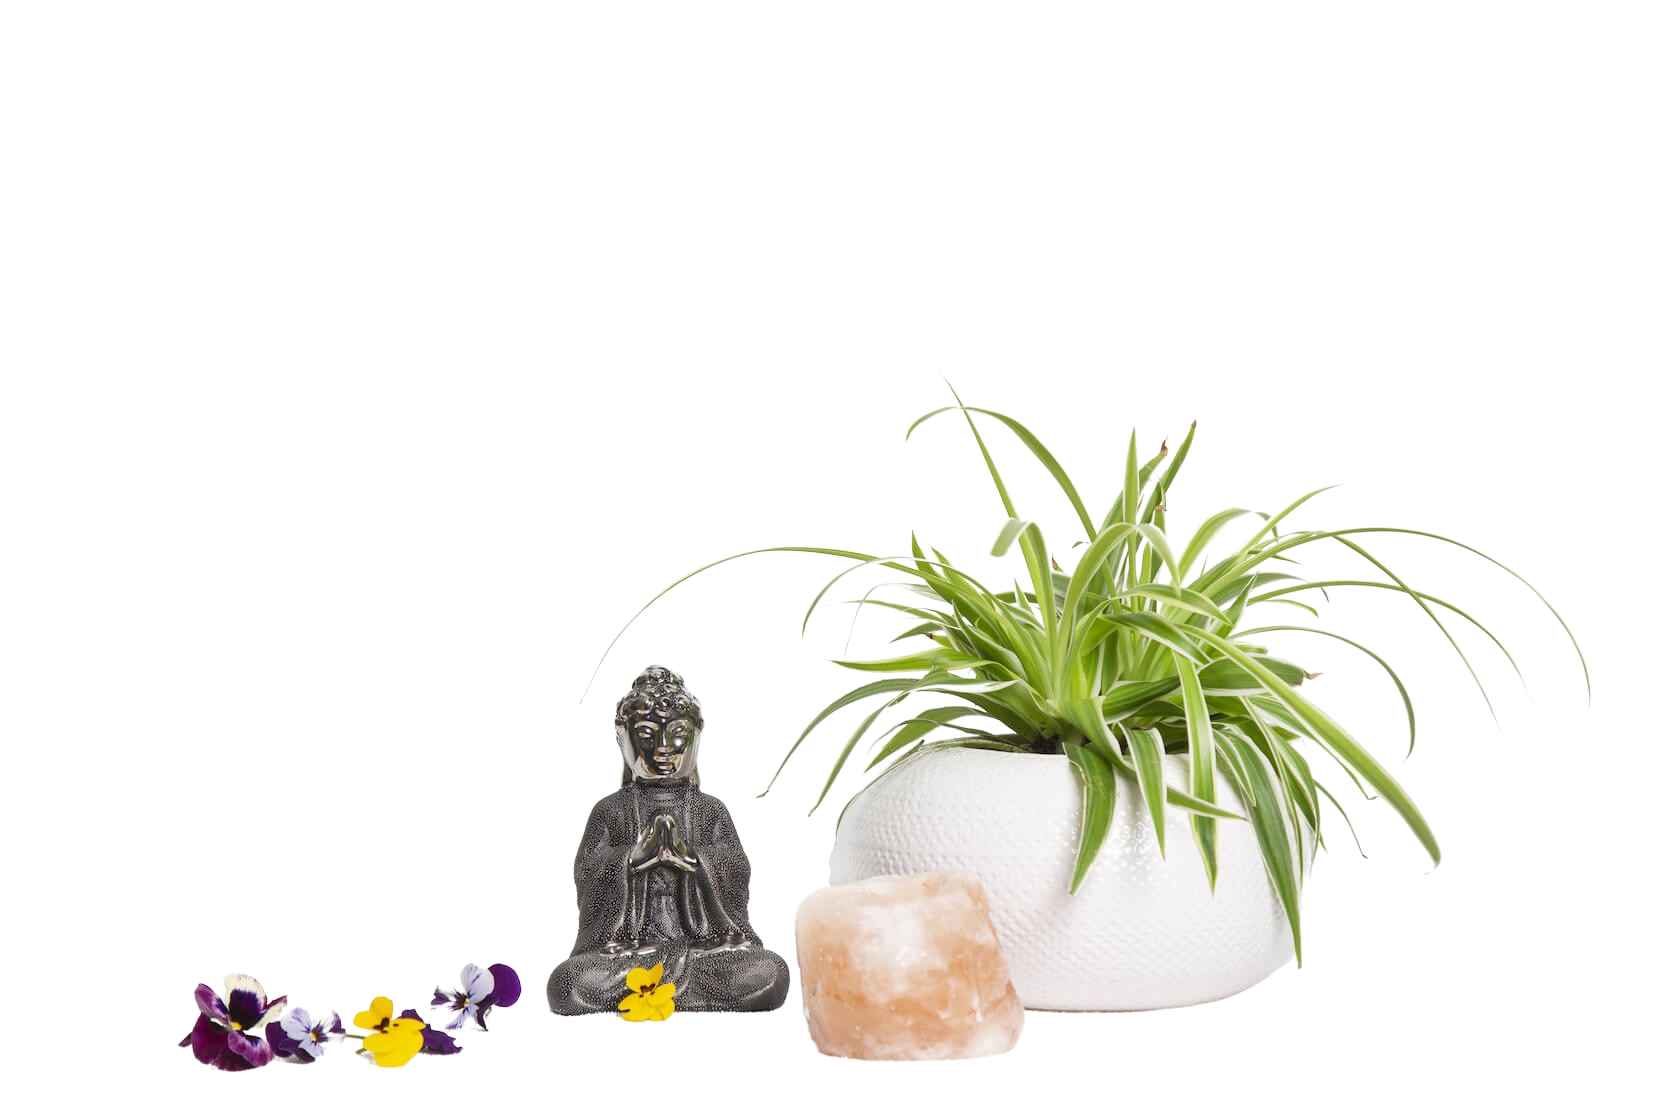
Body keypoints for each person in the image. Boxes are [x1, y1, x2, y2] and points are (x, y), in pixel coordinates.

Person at [546, 665, 790, 1016]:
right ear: (622, 740)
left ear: (696, 738)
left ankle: (651, 992)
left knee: (771, 973)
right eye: (646, 734)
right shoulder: (609, 811)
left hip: (703, 952)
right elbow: (587, 873)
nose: (663, 749)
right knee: (567, 983)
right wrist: (632, 860)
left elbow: (737, 871)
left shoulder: (711, 810)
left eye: (677, 734)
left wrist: (694, 861)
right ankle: (670, 989)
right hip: (630, 953)